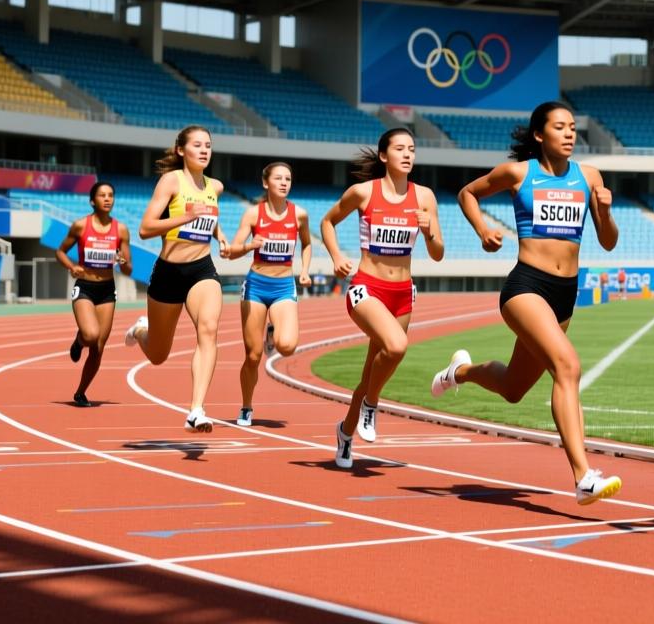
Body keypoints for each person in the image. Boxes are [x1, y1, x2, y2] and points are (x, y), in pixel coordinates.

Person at [432, 101, 623, 505]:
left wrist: (604, 213)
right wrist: (483, 229)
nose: (570, 134)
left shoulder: (589, 177)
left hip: (565, 295)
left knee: (514, 388)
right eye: (560, 127)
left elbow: (607, 241)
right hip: (526, 287)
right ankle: (582, 475)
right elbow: (468, 193)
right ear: (540, 135)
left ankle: (460, 371)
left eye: (573, 127)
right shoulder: (520, 173)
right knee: (567, 366)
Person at [320, 127, 444, 468]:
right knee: (397, 346)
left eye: (412, 149)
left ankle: (346, 432)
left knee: (370, 373)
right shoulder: (362, 193)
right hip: (367, 288)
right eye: (400, 149)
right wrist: (335, 256)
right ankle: (372, 407)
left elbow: (437, 254)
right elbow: (328, 222)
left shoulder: (425, 198)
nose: (408, 154)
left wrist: (428, 229)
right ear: (384, 156)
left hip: (403, 294)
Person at [124, 125, 228, 433]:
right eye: (197, 145)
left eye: (208, 145)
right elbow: (145, 228)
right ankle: (142, 329)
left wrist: (220, 236)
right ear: (181, 150)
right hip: (168, 272)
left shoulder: (216, 186)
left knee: (208, 330)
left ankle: (196, 409)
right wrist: (184, 218)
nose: (204, 150)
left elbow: (211, 217)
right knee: (158, 355)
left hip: (202, 270)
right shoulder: (171, 181)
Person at [224, 161, 313, 427]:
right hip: (256, 286)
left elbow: (307, 244)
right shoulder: (253, 215)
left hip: (284, 285)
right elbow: (233, 250)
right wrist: (251, 244)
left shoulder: (300, 215)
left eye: (288, 178)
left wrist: (305, 269)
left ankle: (273, 332)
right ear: (266, 183)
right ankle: (246, 406)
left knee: (287, 347)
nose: (284, 182)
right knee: (252, 356)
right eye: (278, 178)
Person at [55, 181, 133, 407]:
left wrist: (122, 261)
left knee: (98, 348)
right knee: (90, 335)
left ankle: (80, 393)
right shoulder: (80, 226)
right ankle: (79, 342)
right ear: (92, 201)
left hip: (107, 290)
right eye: (102, 195)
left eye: (111, 195)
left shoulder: (120, 230)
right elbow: (60, 251)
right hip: (85, 288)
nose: (107, 199)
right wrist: (71, 266)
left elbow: (128, 269)